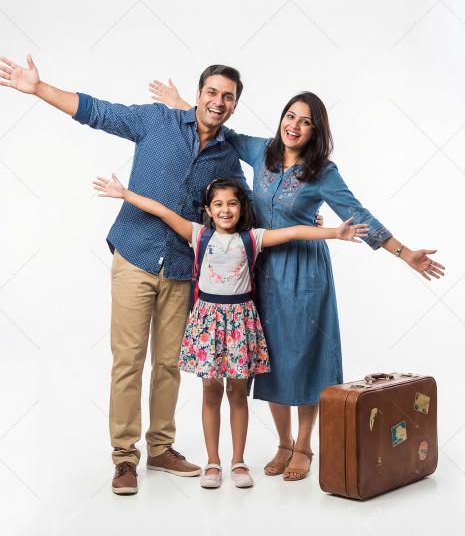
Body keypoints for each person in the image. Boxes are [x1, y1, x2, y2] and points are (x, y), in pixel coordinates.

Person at [149, 81, 446, 481]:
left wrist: (403, 251)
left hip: (306, 273)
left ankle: (305, 446)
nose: (294, 126)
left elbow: (358, 215)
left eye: (305, 122)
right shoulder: (261, 152)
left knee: (304, 358)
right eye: (291, 116)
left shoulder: (323, 173)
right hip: (261, 272)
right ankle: (283, 443)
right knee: (268, 359)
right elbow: (224, 131)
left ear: (315, 131)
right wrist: (181, 103)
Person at [0, 55, 251, 495]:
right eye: (212, 92)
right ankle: (124, 458)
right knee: (128, 360)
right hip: (135, 254)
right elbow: (97, 111)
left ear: (234, 105)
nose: (218, 101)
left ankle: (161, 448)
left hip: (184, 272)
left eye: (227, 97)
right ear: (199, 93)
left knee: (169, 364)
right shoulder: (157, 121)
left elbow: (242, 213)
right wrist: (39, 88)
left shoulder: (228, 158)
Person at [93, 174, 369, 489]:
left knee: (237, 395)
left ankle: (238, 461)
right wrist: (126, 193)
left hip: (240, 326)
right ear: (208, 210)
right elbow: (163, 212)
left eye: (232, 203)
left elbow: (292, 231)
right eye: (218, 204)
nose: (226, 210)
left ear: (241, 207)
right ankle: (214, 461)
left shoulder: (253, 238)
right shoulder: (198, 235)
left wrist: (334, 232)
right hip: (208, 325)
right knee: (211, 392)